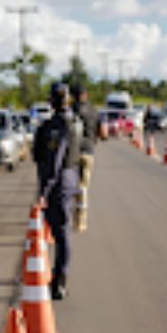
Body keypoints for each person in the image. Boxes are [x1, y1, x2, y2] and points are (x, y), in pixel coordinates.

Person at [32, 81, 82, 300]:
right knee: (62, 232)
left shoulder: (58, 125)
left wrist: (44, 191)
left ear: (52, 100)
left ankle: (59, 281)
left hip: (59, 183)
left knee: (61, 234)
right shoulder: (74, 121)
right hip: (69, 179)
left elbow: (54, 161)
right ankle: (58, 276)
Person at [72, 84, 97, 233]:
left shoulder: (71, 110)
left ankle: (70, 218)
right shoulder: (94, 110)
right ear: (86, 94)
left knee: (69, 186)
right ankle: (80, 222)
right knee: (83, 188)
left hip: (73, 153)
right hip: (88, 151)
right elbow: (103, 132)